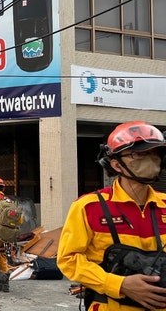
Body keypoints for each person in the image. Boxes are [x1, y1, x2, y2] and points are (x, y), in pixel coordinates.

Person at [57, 121, 166, 310]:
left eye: (154, 153)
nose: (150, 159)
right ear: (116, 164)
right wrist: (118, 284)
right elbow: (68, 259)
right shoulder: (89, 207)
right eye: (139, 154)